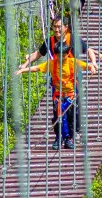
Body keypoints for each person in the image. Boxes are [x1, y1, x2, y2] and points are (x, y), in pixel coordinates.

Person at [20, 18, 97, 149]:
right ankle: (59, 137)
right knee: (57, 111)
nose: (56, 29)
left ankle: (71, 136)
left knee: (73, 109)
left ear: (66, 27)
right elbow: (38, 54)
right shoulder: (49, 41)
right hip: (57, 81)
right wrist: (25, 65)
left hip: (73, 80)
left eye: (59, 27)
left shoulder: (72, 39)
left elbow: (88, 50)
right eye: (54, 27)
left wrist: (93, 63)